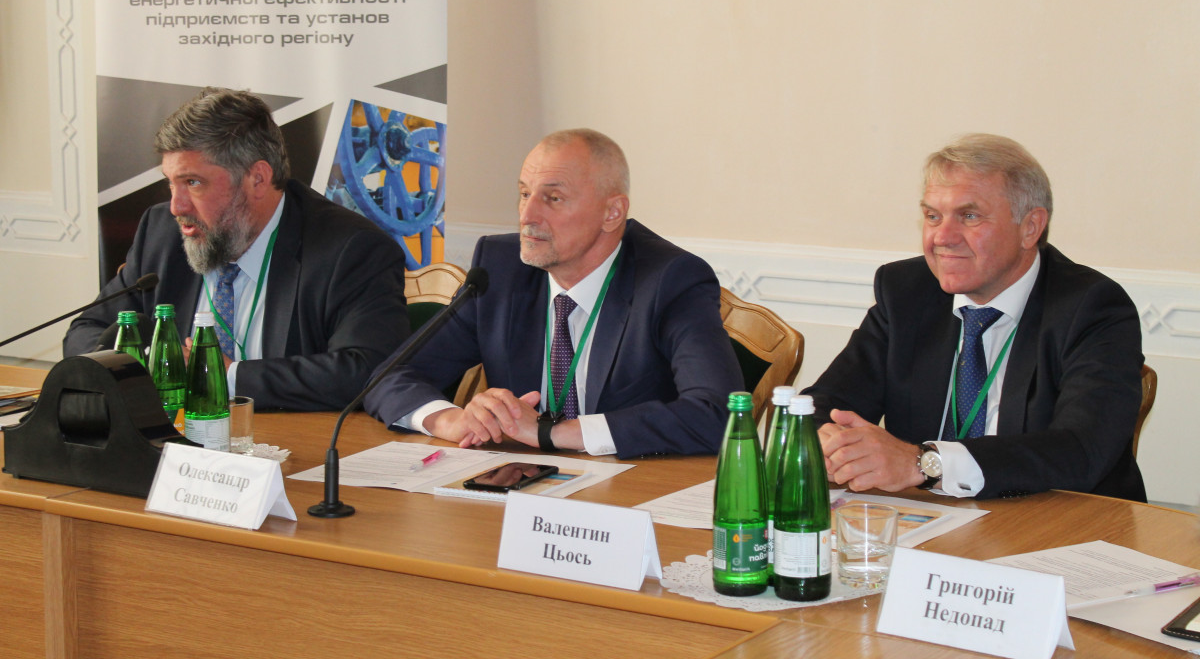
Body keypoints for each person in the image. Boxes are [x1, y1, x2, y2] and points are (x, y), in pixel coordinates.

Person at [364, 128, 743, 458]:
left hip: (629, 495)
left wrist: (553, 433)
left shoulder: (669, 280)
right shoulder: (499, 269)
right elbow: (389, 376)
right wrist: (450, 420)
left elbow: (719, 414)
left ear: (612, 213)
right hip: (520, 485)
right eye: (524, 193)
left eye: (553, 198)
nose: (527, 216)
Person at [808, 133, 1145, 501]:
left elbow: (1082, 448)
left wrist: (924, 464)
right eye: (933, 216)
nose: (942, 237)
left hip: (1057, 519)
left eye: (969, 216)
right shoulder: (905, 291)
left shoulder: (1092, 306)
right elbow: (823, 406)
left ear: (1030, 227)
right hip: (931, 517)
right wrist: (829, 440)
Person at [63, 87, 410, 411]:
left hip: (288, 444)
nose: (176, 206)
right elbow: (86, 332)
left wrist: (222, 375)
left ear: (257, 179)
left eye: (192, 182)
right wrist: (153, 362)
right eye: (171, 183)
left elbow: (367, 368)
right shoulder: (161, 232)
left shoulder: (350, 250)